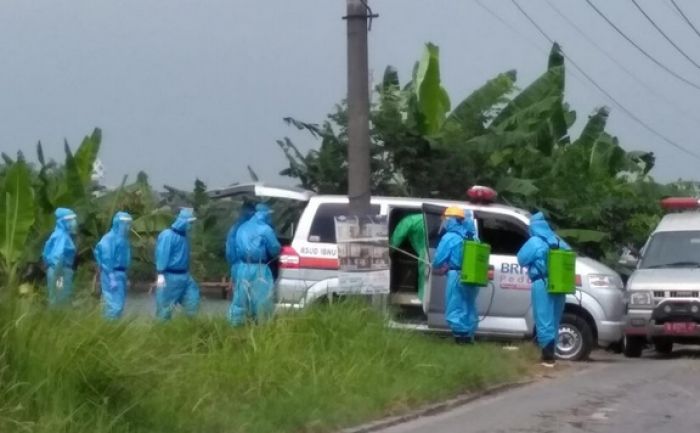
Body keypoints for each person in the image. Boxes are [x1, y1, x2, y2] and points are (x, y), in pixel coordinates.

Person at [517, 212, 571, 367]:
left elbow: (521, 259)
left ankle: (547, 357)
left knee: (543, 319)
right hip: (559, 284)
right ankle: (551, 352)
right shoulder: (558, 241)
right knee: (554, 319)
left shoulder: (535, 241)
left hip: (541, 283)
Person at [432, 207, 481, 344]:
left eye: (445, 219)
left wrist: (439, 266)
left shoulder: (450, 237)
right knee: (469, 305)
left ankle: (461, 336)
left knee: (455, 305)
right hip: (472, 276)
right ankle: (469, 335)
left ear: (451, 219)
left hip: (456, 276)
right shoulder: (473, 237)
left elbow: (438, 260)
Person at [229, 203, 281, 326]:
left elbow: (234, 249)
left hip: (242, 267)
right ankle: (262, 327)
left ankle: (235, 326)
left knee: (240, 299)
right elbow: (275, 248)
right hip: (259, 267)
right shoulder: (266, 229)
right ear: (266, 214)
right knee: (262, 300)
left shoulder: (242, 227)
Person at [154, 208, 200, 320]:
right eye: (190, 223)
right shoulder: (167, 235)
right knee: (165, 308)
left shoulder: (183, 237)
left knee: (193, 300)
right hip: (170, 276)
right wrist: (160, 273)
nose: (191, 226)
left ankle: (189, 328)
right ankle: (161, 332)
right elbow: (162, 254)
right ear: (183, 221)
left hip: (184, 275)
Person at [94, 211, 133, 319]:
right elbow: (106, 257)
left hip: (120, 274)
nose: (128, 227)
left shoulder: (124, 240)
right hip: (111, 273)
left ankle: (113, 329)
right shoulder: (109, 238)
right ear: (118, 223)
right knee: (114, 306)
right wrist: (110, 276)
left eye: (129, 224)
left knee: (119, 304)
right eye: (125, 224)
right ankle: (108, 328)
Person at [42, 208, 78, 307]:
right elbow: (58, 256)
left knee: (58, 297)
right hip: (60, 271)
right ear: (63, 221)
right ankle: (57, 320)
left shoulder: (59, 234)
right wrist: (59, 275)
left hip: (58, 271)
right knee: (60, 299)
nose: (74, 223)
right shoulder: (62, 236)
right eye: (70, 220)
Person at [389, 214, 428, 300]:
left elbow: (395, 241)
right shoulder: (433, 218)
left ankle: (423, 301)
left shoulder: (408, 221)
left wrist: (388, 253)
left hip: (425, 254)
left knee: (424, 279)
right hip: (434, 251)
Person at [225, 202, 256, 287]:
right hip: (252, 266)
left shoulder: (234, 228)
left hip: (237, 266)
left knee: (239, 296)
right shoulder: (254, 228)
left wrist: (233, 263)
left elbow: (229, 250)